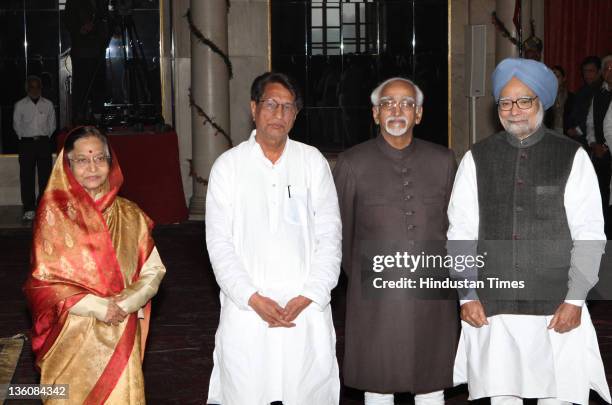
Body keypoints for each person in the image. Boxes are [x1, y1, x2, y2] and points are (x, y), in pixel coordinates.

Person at [448, 58, 611, 405]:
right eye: (506, 102)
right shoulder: (476, 158)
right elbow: (460, 231)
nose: (515, 110)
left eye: (525, 100)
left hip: (557, 306)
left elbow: (589, 233)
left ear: (542, 102)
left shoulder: (572, 156)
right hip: (494, 306)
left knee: (559, 395)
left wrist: (575, 298)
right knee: (501, 394)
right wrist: (467, 294)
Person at [205, 72, 342, 404]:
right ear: (253, 108)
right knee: (246, 391)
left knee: (306, 390)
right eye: (271, 104)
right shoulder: (229, 166)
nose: (279, 114)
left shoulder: (312, 162)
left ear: (296, 115)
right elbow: (218, 243)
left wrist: (310, 293)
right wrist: (252, 297)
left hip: (304, 308)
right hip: (248, 309)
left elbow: (330, 234)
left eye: (288, 107)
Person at [333, 77, 458, 405]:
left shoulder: (444, 161)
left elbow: (455, 228)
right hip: (376, 299)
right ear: (375, 114)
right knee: (379, 383)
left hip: (433, 294)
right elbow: (341, 237)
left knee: (432, 384)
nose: (397, 110)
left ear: (418, 114)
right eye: (388, 103)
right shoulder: (351, 163)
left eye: (406, 104)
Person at [23, 126, 166, 404]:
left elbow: (154, 270)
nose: (92, 167)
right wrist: (99, 307)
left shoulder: (130, 214)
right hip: (72, 332)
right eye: (82, 160)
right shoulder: (53, 217)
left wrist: (123, 304)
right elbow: (43, 284)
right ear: (67, 165)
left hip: (121, 327)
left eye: (100, 158)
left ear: (111, 163)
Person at [13, 75, 56, 221]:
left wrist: (44, 137)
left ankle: (43, 206)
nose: (34, 89)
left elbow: (52, 125)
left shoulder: (48, 104)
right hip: (26, 144)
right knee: (26, 177)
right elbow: (16, 125)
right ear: (27, 88)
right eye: (31, 86)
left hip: (44, 143)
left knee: (45, 176)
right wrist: (25, 138)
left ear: (41, 88)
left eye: (37, 86)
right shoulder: (20, 105)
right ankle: (29, 208)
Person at [586, 54, 612, 236]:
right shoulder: (599, 94)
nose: (610, 72)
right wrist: (593, 143)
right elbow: (590, 123)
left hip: (609, 152)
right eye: (607, 69)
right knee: (601, 202)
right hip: (601, 157)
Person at [566, 55, 602, 139]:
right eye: (585, 71)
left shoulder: (603, 91)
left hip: (594, 138)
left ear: (599, 72)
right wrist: (569, 128)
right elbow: (574, 113)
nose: (587, 74)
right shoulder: (582, 90)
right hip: (577, 137)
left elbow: (597, 118)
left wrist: (579, 130)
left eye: (591, 71)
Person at [545, 65, 575, 137]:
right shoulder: (545, 97)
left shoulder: (572, 97)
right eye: (552, 77)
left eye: (557, 77)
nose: (554, 79)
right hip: (550, 133)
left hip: (567, 133)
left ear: (564, 78)